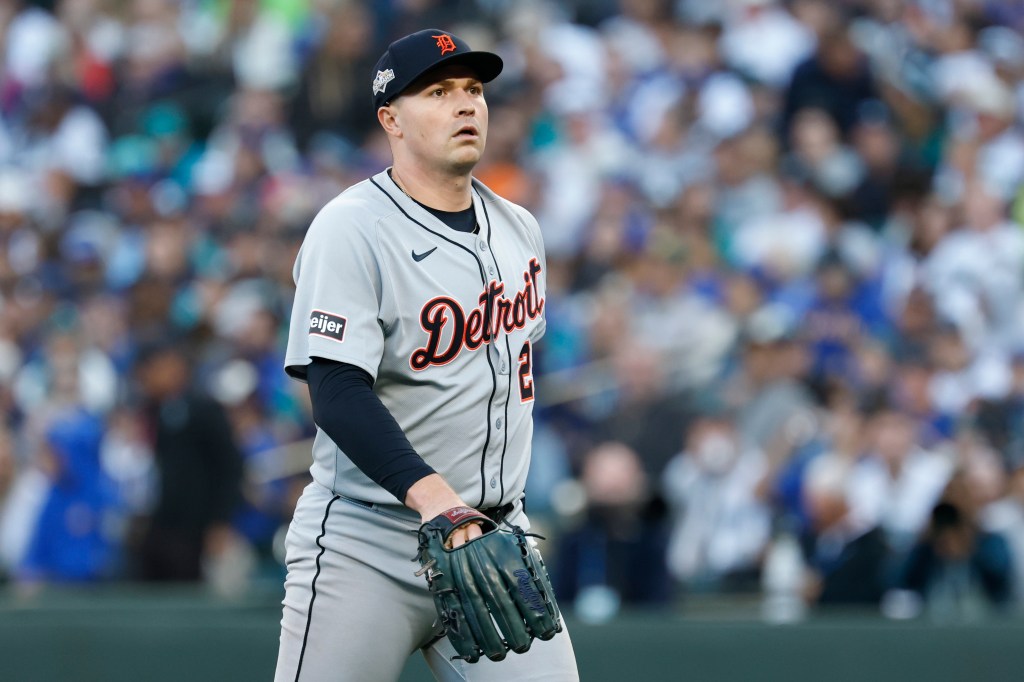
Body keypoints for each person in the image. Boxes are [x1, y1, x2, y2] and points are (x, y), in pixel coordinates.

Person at [274, 29, 579, 681]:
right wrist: (437, 498)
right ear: (392, 120)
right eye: (438, 92)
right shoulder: (351, 226)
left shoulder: (520, 229)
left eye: (473, 90)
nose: (466, 105)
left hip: (496, 539)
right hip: (367, 544)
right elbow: (334, 391)